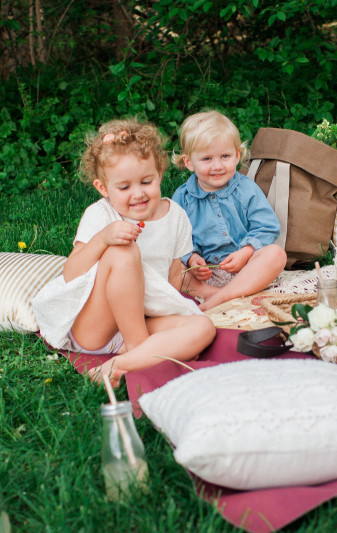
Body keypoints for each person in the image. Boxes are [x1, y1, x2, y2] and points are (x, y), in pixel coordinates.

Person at [31, 119, 216, 386]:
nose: (138, 194)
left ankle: (117, 364)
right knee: (123, 252)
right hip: (97, 326)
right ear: (103, 188)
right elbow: (71, 273)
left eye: (146, 181)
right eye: (124, 187)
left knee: (202, 329)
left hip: (143, 317)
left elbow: (173, 277)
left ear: (160, 173)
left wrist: (194, 295)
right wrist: (103, 239)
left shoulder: (175, 216)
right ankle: (143, 348)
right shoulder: (101, 214)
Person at [172, 111, 287, 311]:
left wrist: (247, 251)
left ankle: (224, 296)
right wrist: (191, 258)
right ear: (189, 162)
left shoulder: (247, 189)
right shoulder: (183, 198)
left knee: (276, 254)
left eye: (225, 156)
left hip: (247, 268)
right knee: (164, 265)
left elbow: (267, 226)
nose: (217, 166)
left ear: (237, 155)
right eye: (207, 159)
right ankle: (210, 293)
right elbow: (175, 238)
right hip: (206, 275)